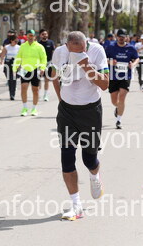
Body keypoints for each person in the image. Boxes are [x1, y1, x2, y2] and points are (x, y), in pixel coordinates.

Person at [52, 32, 110, 221]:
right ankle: (76, 205)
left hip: (90, 111)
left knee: (89, 159)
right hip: (67, 112)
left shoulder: (97, 51)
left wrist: (85, 64)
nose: (79, 53)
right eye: (75, 51)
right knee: (67, 157)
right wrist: (61, 99)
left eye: (83, 50)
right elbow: (53, 76)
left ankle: (95, 176)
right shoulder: (60, 52)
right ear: (67, 46)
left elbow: (105, 84)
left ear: (86, 45)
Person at [105, 29, 139, 130]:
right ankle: (118, 108)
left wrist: (133, 64)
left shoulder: (131, 48)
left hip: (125, 76)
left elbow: (137, 58)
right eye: (120, 36)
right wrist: (110, 62)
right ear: (116, 37)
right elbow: (103, 59)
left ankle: (119, 120)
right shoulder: (110, 47)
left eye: (123, 37)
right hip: (113, 76)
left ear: (126, 37)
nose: (121, 38)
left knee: (122, 97)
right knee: (114, 100)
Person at [14, 29, 47, 116]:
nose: (30, 37)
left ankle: (34, 108)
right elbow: (18, 57)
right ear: (27, 36)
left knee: (35, 90)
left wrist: (42, 68)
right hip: (25, 70)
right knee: (24, 87)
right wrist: (15, 68)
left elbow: (43, 58)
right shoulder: (23, 46)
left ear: (35, 37)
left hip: (36, 70)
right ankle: (24, 108)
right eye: (29, 35)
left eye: (32, 35)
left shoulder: (39, 47)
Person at [0, 33, 21, 100]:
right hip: (8, 63)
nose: (16, 42)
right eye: (15, 41)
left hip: (15, 64)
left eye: (17, 41)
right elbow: (2, 54)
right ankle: (11, 91)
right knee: (9, 79)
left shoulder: (19, 47)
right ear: (11, 40)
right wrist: (1, 60)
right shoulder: (7, 47)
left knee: (13, 79)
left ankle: (12, 94)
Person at [38, 29, 56, 101]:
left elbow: (54, 52)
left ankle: (45, 95)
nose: (44, 35)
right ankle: (38, 94)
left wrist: (53, 62)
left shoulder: (51, 42)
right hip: (40, 64)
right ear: (40, 35)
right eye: (43, 34)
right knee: (39, 79)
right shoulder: (38, 44)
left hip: (49, 63)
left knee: (46, 80)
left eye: (45, 34)